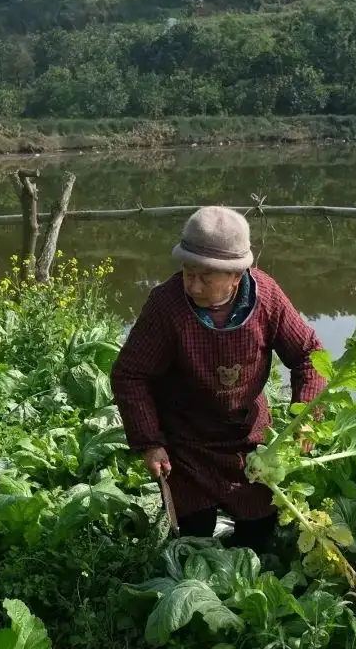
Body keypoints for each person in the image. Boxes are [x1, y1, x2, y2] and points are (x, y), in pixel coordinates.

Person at [111, 205, 324, 550]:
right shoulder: (166, 305)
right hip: (186, 441)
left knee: (257, 530)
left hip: (248, 437)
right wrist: (150, 442)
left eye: (205, 276)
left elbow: (308, 356)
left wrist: (306, 418)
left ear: (236, 275)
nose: (192, 285)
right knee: (193, 535)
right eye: (187, 272)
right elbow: (130, 375)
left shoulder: (266, 297)